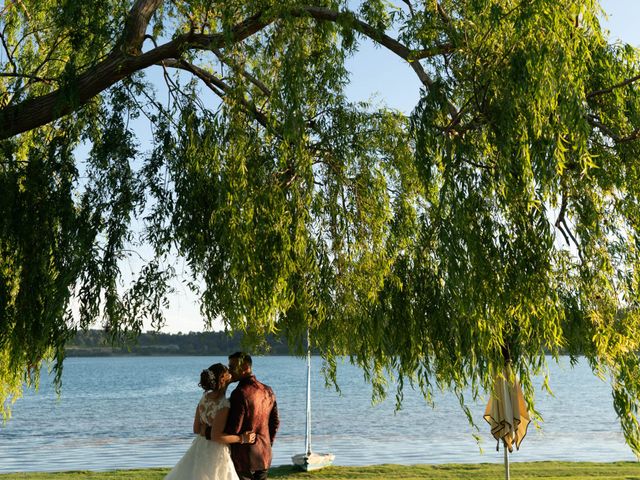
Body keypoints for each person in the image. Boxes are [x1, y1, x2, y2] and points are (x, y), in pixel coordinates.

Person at [164, 363, 256, 480]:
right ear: (222, 378)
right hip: (216, 451)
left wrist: (204, 430)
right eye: (228, 371)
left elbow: (196, 429)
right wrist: (242, 438)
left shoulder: (204, 398)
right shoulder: (224, 404)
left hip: (200, 447)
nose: (231, 373)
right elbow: (217, 436)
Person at [212, 352, 280, 480]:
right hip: (264, 455)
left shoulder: (239, 393)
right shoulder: (268, 390)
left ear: (245, 368)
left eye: (232, 367)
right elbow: (275, 422)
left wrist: (212, 430)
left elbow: (234, 428)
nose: (229, 371)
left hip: (244, 458)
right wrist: (267, 444)